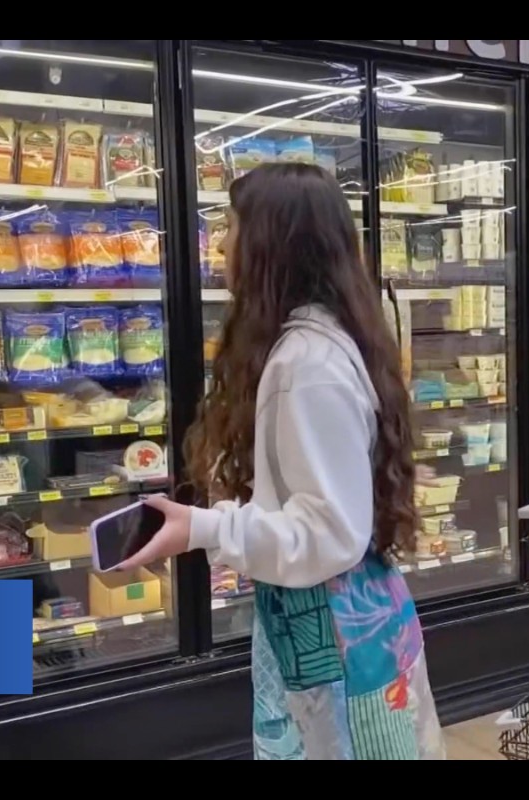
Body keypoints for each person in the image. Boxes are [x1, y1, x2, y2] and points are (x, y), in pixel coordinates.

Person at [117, 162, 447, 761]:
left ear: (273, 244)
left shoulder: (306, 366)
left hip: (332, 635)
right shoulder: (326, 340)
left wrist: (204, 529)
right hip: (349, 624)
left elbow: (329, 531)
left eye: (232, 226)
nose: (222, 244)